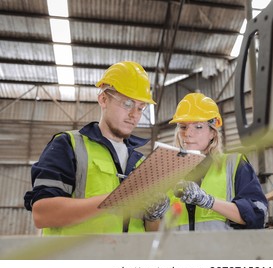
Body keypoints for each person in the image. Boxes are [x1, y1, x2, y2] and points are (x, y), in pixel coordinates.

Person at [24, 61, 169, 235]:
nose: (134, 115)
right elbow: (43, 214)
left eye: (140, 108)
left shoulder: (142, 163)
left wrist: (154, 214)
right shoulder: (69, 145)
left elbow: (150, 234)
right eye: (128, 104)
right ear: (103, 99)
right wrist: (116, 200)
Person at [167, 92, 268, 231]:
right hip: (180, 252)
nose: (188, 133)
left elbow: (258, 214)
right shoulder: (168, 173)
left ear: (212, 132)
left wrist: (209, 201)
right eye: (183, 127)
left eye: (198, 126)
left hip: (223, 252)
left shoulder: (235, 164)